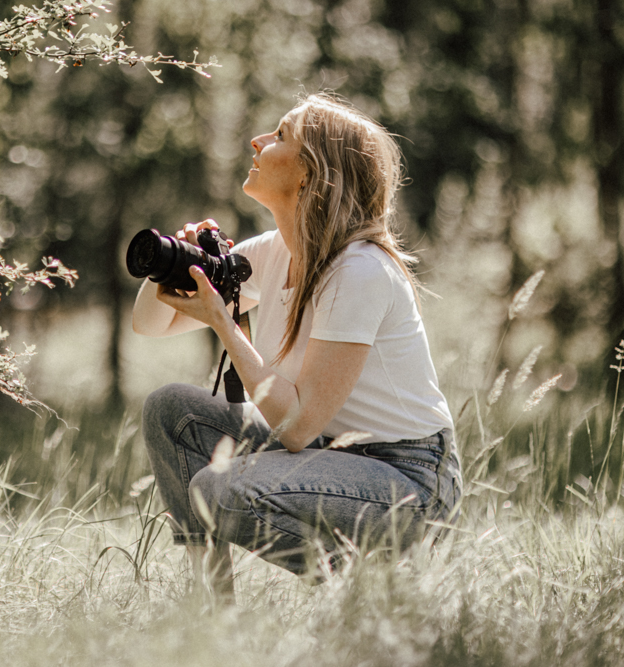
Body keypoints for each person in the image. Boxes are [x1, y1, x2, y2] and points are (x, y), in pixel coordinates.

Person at [131, 93, 460, 597]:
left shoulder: (359, 270)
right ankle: (210, 616)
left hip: (406, 480)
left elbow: (298, 427)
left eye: (281, 135)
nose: (257, 141)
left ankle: (374, 597)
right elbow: (148, 324)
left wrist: (226, 324)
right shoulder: (275, 252)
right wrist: (176, 265)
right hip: (330, 456)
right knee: (171, 410)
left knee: (220, 488)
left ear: (310, 173)